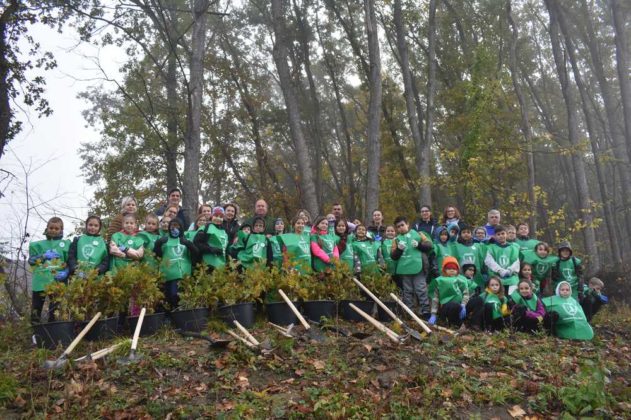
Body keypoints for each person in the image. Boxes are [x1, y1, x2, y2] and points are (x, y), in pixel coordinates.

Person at [28, 217, 71, 322]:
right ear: (47, 228)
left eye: (57, 228)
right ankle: (35, 330)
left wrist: (66, 272)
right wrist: (43, 256)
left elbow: (70, 262)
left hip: (58, 282)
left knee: (55, 310)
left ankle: (53, 330)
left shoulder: (66, 244)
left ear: (61, 230)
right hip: (40, 283)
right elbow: (31, 261)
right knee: (36, 309)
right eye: (51, 228)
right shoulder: (37, 245)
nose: (53, 230)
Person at [391, 216, 434, 318]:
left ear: (407, 224)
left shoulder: (419, 234)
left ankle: (426, 312)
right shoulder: (396, 240)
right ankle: (409, 312)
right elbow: (393, 256)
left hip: (418, 268)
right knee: (407, 291)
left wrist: (419, 245)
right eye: (398, 227)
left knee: (421, 290)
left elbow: (430, 246)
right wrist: (399, 249)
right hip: (405, 270)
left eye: (402, 225)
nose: (401, 228)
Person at [153, 218, 197, 309]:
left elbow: (196, 253)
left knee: (176, 294)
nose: (174, 228)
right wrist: (158, 244)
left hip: (182, 273)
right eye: (172, 226)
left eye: (177, 226)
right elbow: (157, 255)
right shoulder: (164, 241)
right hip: (167, 273)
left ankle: (178, 311)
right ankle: (171, 313)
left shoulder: (186, 240)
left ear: (181, 228)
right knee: (168, 295)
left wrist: (189, 244)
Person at [429, 257, 470, 328]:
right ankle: (457, 325)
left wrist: (463, 304)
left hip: (461, 306)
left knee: (478, 301)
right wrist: (433, 314)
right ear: (444, 269)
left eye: (454, 268)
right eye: (449, 268)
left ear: (457, 270)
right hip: (446, 308)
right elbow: (435, 299)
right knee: (454, 305)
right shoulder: (440, 281)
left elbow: (466, 294)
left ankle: (475, 324)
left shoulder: (461, 280)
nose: (452, 270)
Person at [484, 225, 520, 295]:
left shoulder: (514, 247)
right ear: (494, 236)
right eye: (498, 234)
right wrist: (500, 270)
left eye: (503, 233)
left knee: (512, 297)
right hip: (496, 278)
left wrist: (510, 270)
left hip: (511, 278)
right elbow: (489, 261)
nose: (501, 236)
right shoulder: (490, 248)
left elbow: (516, 261)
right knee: (497, 297)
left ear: (506, 234)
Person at [194, 207, 229, 271]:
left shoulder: (224, 230)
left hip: (221, 264)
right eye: (216, 216)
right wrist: (211, 249)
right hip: (207, 264)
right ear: (212, 216)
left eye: (221, 217)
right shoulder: (205, 227)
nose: (218, 218)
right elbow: (196, 243)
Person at [452, 224, 485, 289]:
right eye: (463, 232)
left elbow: (481, 261)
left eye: (468, 232)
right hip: (461, 276)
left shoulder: (477, 246)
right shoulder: (456, 246)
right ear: (460, 234)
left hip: (476, 276)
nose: (466, 234)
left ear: (471, 234)